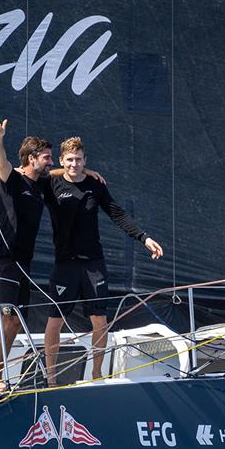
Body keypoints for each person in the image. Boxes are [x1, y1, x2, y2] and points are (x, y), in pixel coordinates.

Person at [0, 120, 103, 390]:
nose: (50, 162)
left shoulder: (40, 183)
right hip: (3, 262)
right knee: (2, 322)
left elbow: (62, 171)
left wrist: (86, 170)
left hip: (23, 264)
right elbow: (1, 163)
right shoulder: (13, 178)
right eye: (46, 158)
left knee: (15, 323)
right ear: (30, 159)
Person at [43, 136, 163, 386]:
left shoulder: (95, 186)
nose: (74, 164)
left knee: (100, 320)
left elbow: (117, 214)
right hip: (65, 264)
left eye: (79, 160)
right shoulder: (51, 184)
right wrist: (79, 170)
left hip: (93, 264)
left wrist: (144, 238)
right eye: (70, 160)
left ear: (85, 159)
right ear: (62, 161)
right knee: (54, 321)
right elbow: (35, 172)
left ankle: (97, 374)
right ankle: (51, 377)